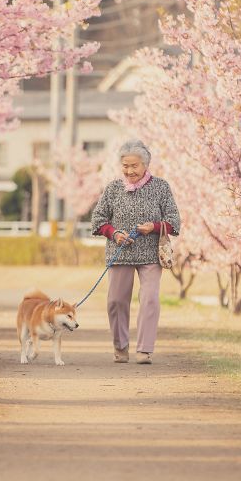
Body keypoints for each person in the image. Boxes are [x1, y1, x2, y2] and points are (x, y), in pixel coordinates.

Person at [90, 140, 180, 364]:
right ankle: (120, 347)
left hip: (151, 254)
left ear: (145, 165)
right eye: (125, 166)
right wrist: (114, 233)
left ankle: (145, 350)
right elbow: (98, 220)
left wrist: (154, 227)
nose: (129, 171)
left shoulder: (161, 187)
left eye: (134, 166)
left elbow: (174, 221)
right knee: (116, 301)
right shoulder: (113, 188)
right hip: (120, 252)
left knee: (150, 299)